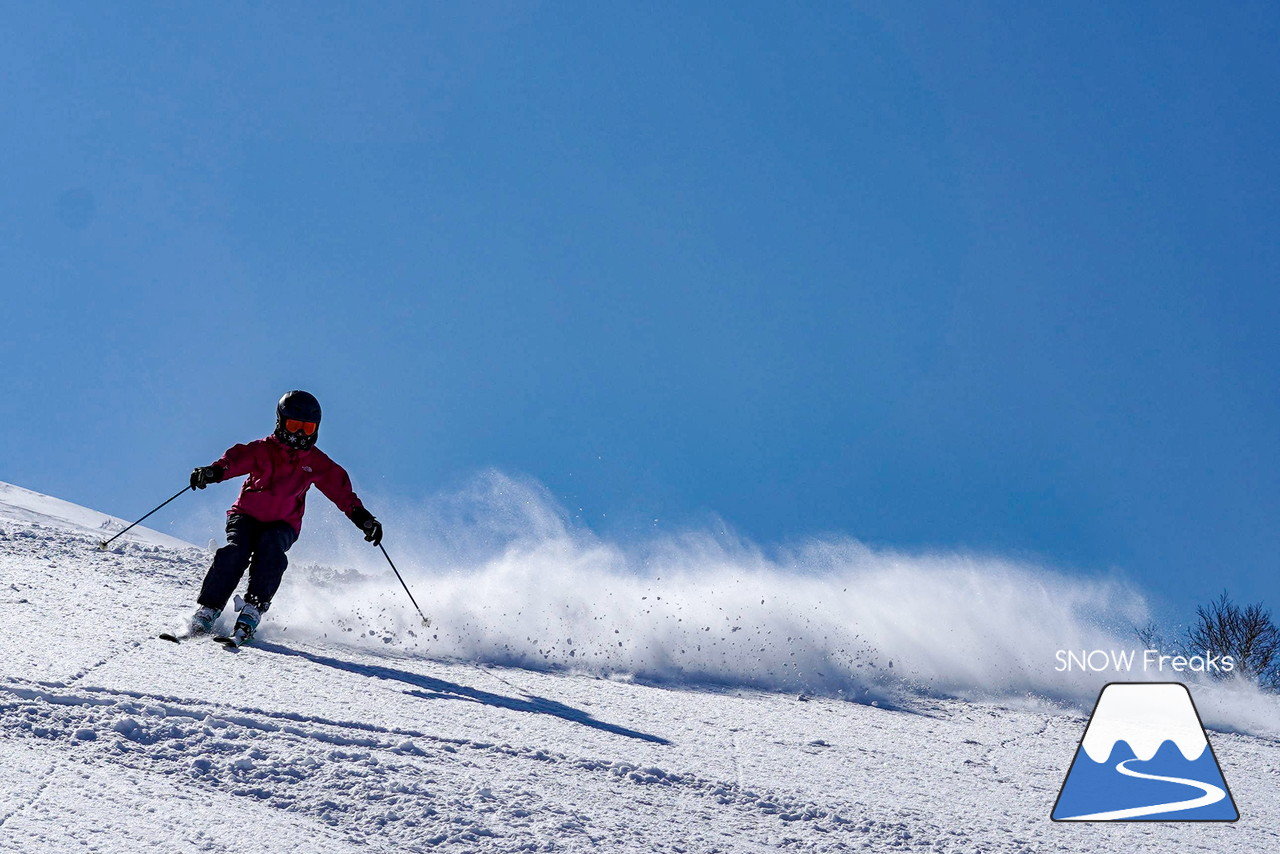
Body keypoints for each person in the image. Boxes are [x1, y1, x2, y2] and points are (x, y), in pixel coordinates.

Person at [186, 390, 382, 642]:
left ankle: (253, 609)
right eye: (294, 426)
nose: (299, 434)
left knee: (271, 552)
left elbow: (341, 493)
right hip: (246, 515)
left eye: (307, 428)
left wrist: (363, 518)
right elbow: (233, 461)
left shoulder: (317, 462)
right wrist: (212, 472)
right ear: (280, 422)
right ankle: (208, 609)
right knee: (235, 552)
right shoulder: (262, 450)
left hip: (283, 523)